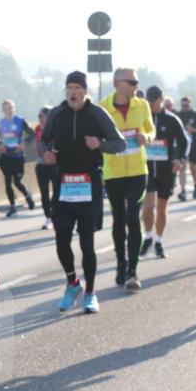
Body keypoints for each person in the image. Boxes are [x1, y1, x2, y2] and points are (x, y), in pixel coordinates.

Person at [41, 71, 124, 313]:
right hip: (64, 183)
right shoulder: (57, 114)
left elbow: (118, 144)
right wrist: (46, 153)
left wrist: (100, 144)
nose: (72, 92)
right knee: (61, 238)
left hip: (90, 183)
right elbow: (44, 141)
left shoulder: (97, 113)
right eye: (69, 88)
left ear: (85, 91)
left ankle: (90, 292)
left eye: (77, 87)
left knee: (87, 242)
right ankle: (72, 283)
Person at [99, 67, 154, 291]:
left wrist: (147, 137)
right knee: (119, 219)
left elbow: (151, 130)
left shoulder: (142, 105)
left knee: (133, 216)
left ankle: (133, 269)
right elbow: (95, 136)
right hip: (114, 171)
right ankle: (120, 265)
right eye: (132, 82)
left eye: (136, 82)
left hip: (138, 171)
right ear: (118, 84)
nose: (135, 86)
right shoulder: (103, 107)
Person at [140, 86, 189, 259]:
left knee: (161, 208)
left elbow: (184, 141)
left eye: (154, 101)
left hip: (166, 170)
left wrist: (180, 159)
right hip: (146, 168)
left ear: (161, 99)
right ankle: (147, 237)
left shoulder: (172, 119)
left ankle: (158, 241)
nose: (151, 104)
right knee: (148, 206)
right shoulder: (142, 118)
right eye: (149, 101)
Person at [0, 99, 36, 217]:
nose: (10, 110)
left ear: (14, 108)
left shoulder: (20, 121)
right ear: (3, 110)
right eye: (7, 108)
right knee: (7, 182)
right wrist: (0, 145)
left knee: (17, 182)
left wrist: (24, 144)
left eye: (12, 107)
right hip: (6, 156)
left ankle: (28, 196)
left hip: (18, 156)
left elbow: (31, 134)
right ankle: (12, 206)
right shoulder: (0, 123)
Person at [176, 96, 196, 201]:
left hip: (194, 145)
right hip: (182, 146)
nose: (185, 107)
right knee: (182, 167)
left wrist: (193, 129)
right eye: (183, 105)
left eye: (187, 105)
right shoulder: (178, 115)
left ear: (190, 104)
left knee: (193, 167)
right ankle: (183, 191)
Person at [34, 106, 59, 229]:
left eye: (40, 116)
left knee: (56, 193)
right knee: (44, 194)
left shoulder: (56, 129)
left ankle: (55, 216)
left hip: (54, 166)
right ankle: (48, 218)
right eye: (38, 116)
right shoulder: (37, 129)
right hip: (41, 166)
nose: (39, 119)